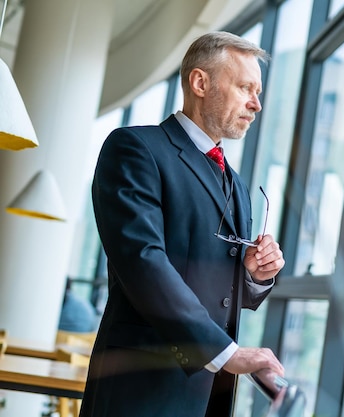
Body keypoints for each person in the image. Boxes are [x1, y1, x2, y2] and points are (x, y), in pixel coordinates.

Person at [80, 31, 286, 417]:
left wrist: (255, 275)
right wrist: (226, 353)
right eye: (245, 88)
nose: (256, 104)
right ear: (200, 82)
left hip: (208, 396)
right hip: (140, 391)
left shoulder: (237, 184)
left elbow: (225, 292)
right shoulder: (135, 149)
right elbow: (142, 261)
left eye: (257, 91)